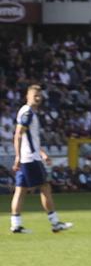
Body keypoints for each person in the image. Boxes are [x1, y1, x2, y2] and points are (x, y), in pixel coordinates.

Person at [9, 85, 72, 234]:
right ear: (28, 96)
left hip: (29, 157)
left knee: (20, 191)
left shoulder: (26, 112)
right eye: (35, 96)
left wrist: (42, 153)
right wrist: (18, 156)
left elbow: (29, 139)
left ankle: (16, 224)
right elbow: (18, 135)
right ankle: (55, 223)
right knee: (45, 188)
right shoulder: (28, 113)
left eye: (40, 96)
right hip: (30, 159)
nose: (38, 98)